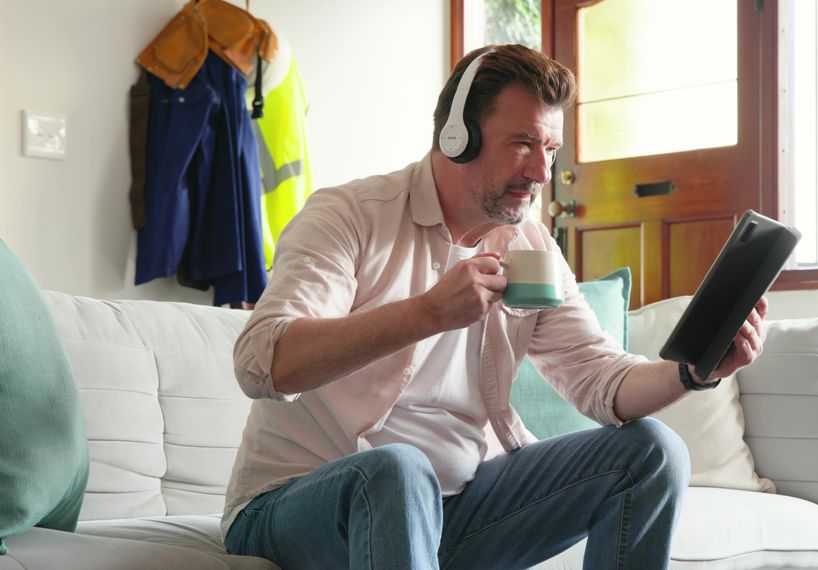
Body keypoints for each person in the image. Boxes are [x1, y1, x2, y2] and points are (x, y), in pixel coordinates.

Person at [222, 44, 767, 570]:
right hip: (297, 504)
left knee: (652, 452)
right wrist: (428, 313)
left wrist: (693, 372)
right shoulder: (349, 217)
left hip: (456, 513)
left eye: (550, 150)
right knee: (397, 470)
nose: (541, 173)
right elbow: (263, 361)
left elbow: (601, 379)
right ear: (458, 136)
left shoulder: (530, 247)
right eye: (523, 143)